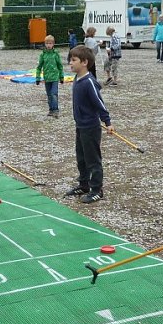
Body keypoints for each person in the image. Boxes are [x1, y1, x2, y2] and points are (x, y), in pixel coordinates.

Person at [65, 45, 114, 204]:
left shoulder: (89, 82)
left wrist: (107, 122)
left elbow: (99, 103)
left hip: (91, 128)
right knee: (81, 157)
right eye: (70, 60)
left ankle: (96, 189)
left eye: (73, 60)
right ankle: (84, 184)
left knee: (93, 159)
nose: (70, 63)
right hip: (80, 126)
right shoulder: (76, 79)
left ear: (85, 62)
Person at [35, 34, 65, 118]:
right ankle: (51, 109)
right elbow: (39, 67)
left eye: (50, 43)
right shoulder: (43, 55)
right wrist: (37, 78)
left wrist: (61, 77)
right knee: (49, 94)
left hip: (55, 78)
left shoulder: (56, 54)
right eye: (47, 43)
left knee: (53, 94)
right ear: (45, 44)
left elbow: (60, 66)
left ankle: (55, 110)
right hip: (47, 78)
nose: (48, 45)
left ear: (53, 44)